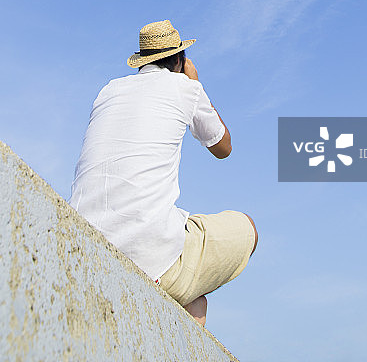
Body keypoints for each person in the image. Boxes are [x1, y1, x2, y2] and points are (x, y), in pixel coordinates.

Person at [69, 19, 257, 326]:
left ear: (142, 61)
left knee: (196, 301)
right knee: (248, 228)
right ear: (180, 60)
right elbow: (224, 147)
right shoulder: (185, 87)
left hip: (84, 246)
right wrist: (195, 84)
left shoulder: (108, 90)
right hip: (147, 255)